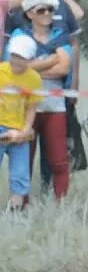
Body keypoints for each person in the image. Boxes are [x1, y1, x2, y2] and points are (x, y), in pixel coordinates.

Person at [6, 0, 72, 202]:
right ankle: (21, 205)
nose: (47, 14)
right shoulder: (19, 36)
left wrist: (31, 67)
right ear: (29, 13)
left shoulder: (60, 34)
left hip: (55, 105)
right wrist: (50, 60)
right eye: (41, 10)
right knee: (24, 158)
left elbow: (63, 68)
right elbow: (14, 68)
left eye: (50, 9)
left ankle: (60, 205)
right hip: (23, 109)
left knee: (59, 160)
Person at [0, 35, 41, 210]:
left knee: (20, 175)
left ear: (30, 59)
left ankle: (15, 211)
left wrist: (25, 130)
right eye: (14, 56)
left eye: (22, 58)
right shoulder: (1, 71)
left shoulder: (34, 79)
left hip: (19, 132)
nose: (17, 61)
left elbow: (32, 107)